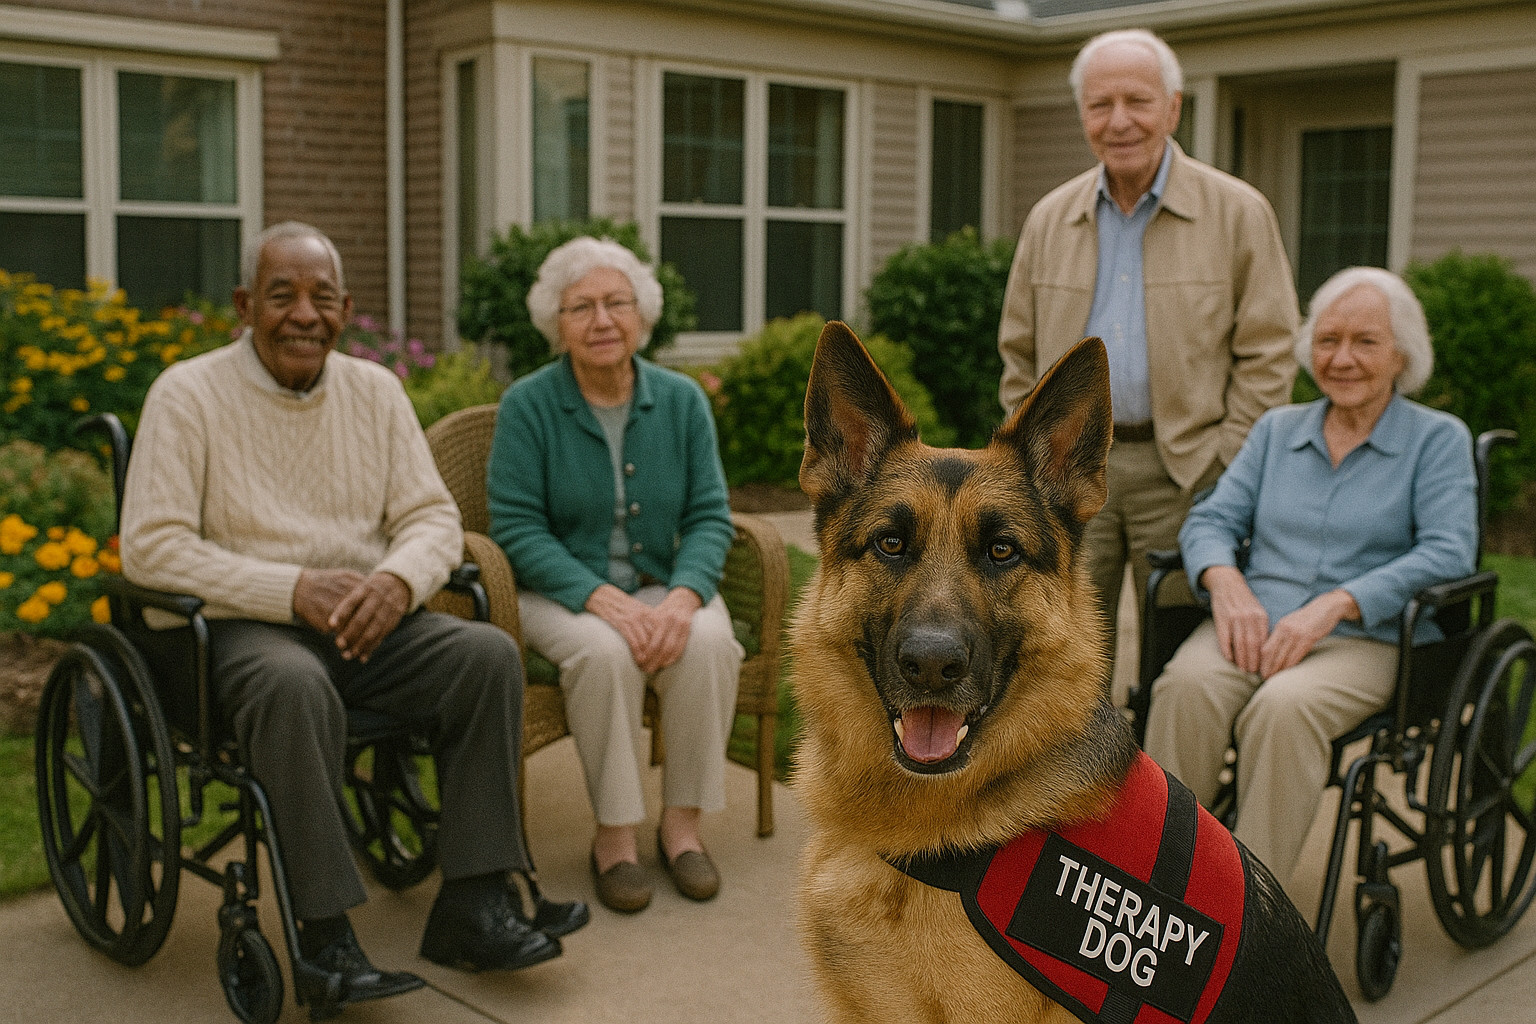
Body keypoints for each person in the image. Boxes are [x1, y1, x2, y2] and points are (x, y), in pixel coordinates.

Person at [119, 221, 587, 1014]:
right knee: (293, 683)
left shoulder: (375, 392)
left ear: (347, 308)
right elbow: (150, 551)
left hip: (367, 620)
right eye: (282, 296)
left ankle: (475, 902)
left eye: (322, 297)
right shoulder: (188, 394)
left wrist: (400, 583)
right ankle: (324, 935)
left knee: (485, 657)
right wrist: (290, 589)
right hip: (238, 627)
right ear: (244, 305)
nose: (305, 313)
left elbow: (433, 520)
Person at [1142, 266, 1478, 888]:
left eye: (1365, 342)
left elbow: (1448, 551)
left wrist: (1337, 605)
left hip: (1365, 639)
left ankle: (1250, 910)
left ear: (1402, 354)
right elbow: (1212, 518)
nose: (1342, 358)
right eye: (1327, 341)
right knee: (1186, 687)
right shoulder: (1277, 432)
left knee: (1284, 710)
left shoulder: (1436, 441)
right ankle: (1158, 883)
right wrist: (1225, 581)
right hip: (1253, 623)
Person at [998, 28, 1299, 687]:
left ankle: (1164, 787)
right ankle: (1080, 788)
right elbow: (1017, 354)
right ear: (1083, 116)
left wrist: (1225, 458)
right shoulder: (1050, 219)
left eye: (1137, 100)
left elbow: (1271, 352)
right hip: (1069, 474)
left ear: (1173, 108)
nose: (1120, 121)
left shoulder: (1238, 213)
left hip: (1186, 470)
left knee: (1176, 658)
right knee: (1064, 651)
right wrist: (1034, 456)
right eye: (1100, 105)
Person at [487, 236, 741, 914]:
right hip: (560, 590)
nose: (601, 320)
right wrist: (599, 597)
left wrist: (685, 597)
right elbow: (514, 527)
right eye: (581, 307)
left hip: (662, 580)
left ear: (641, 314)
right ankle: (616, 838)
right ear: (556, 323)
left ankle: (683, 828)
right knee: (603, 655)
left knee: (711, 642)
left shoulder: (682, 401)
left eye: (616, 303)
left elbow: (712, 515)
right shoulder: (527, 406)